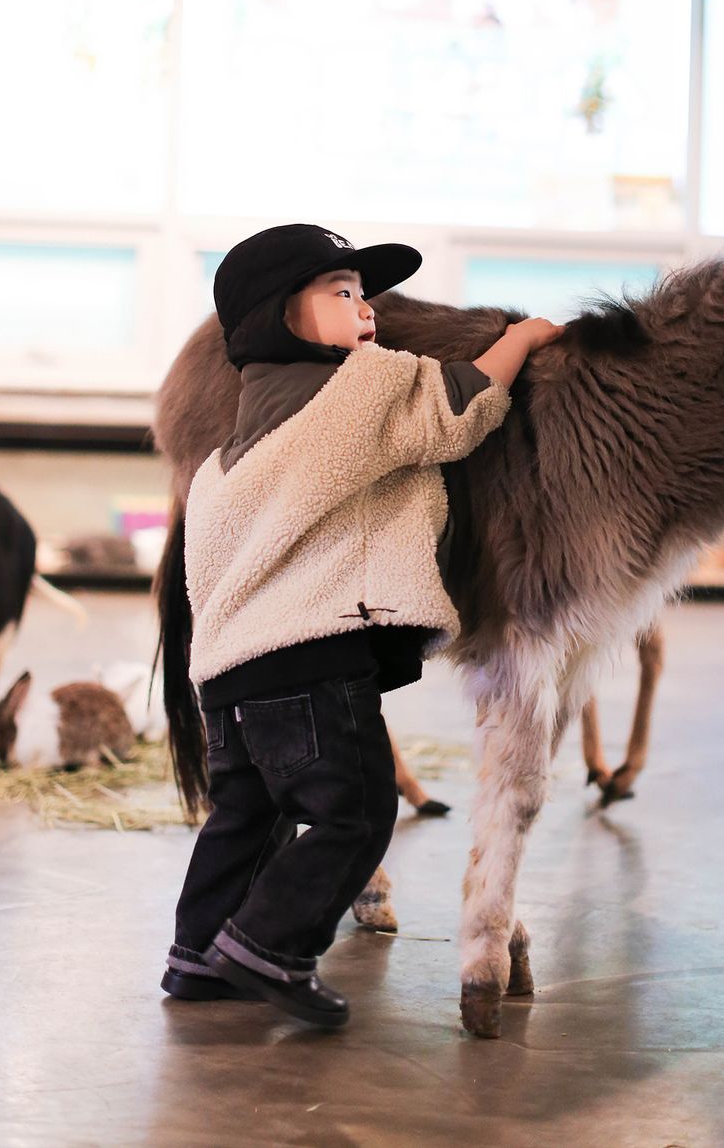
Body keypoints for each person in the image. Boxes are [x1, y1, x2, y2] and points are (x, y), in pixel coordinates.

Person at [161, 223, 562, 1028]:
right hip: (307, 658)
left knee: (246, 813)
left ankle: (197, 954)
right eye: (342, 294)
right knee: (358, 811)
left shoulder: (238, 440)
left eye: (363, 291)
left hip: (226, 673)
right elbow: (459, 409)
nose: (367, 308)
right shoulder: (362, 390)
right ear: (282, 317)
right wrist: (522, 337)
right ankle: (270, 946)